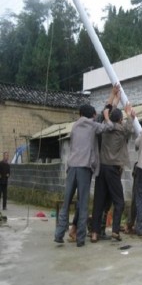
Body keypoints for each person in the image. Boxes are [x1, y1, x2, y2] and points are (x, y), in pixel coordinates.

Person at [54, 89, 115, 247]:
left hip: (71, 167)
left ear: (80, 114)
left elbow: (107, 107)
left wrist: (113, 97)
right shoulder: (93, 126)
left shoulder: (74, 126)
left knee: (66, 203)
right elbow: (108, 126)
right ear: (92, 115)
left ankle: (59, 234)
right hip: (84, 169)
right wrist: (107, 117)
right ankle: (80, 238)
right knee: (83, 203)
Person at [91, 97, 138, 243]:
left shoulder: (104, 128)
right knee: (119, 201)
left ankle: (94, 233)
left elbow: (107, 121)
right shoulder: (120, 129)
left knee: (98, 201)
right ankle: (115, 231)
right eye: (122, 119)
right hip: (113, 170)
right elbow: (130, 130)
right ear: (119, 120)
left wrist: (111, 106)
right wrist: (130, 115)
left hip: (101, 168)